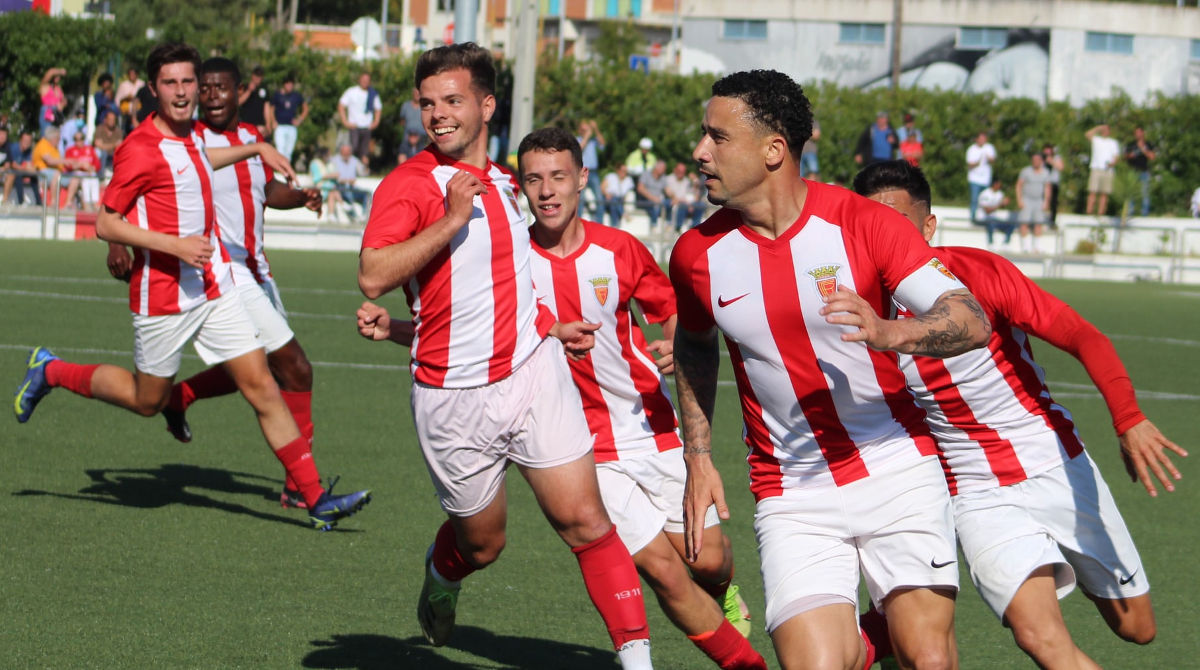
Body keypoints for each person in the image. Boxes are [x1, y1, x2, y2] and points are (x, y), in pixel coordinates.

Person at [360, 126, 768, 670]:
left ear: (582, 179)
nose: (547, 190)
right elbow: (465, 336)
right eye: (533, 180)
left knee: (710, 561)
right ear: (520, 187)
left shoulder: (619, 249)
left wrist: (672, 341)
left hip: (650, 426)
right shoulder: (510, 257)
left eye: (558, 177)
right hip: (582, 445)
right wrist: (394, 330)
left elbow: (672, 313)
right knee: (665, 572)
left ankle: (722, 593)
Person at [671, 69, 991, 670]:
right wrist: (698, 456)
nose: (700, 151)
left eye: (718, 137)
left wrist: (891, 332)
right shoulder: (695, 254)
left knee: (928, 657)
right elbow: (693, 345)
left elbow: (970, 319)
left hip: (896, 467)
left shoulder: (865, 223)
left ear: (774, 150)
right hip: (791, 492)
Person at [356, 42, 654, 669]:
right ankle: (443, 573)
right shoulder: (409, 185)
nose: (438, 114)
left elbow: (509, 279)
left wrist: (551, 327)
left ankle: (637, 662)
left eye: (453, 100)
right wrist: (450, 219)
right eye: (428, 104)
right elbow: (373, 275)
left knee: (587, 521)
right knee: (483, 545)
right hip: (451, 398)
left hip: (531, 372)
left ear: (487, 106)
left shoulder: (506, 182)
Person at [13, 42, 370, 532]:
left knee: (262, 385)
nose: (182, 92)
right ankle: (51, 370)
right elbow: (106, 222)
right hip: (161, 296)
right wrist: (174, 245)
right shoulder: (140, 147)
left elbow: (204, 157)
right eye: (171, 83)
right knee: (147, 401)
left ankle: (315, 499)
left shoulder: (193, 137)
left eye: (187, 82)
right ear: (153, 89)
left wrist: (257, 148)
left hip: (213, 287)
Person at [853, 159, 1187, 670]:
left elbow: (1083, 336)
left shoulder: (978, 274)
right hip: (974, 491)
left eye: (897, 225)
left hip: (1054, 461)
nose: (885, 240)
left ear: (928, 226)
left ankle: (881, 632)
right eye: (873, 228)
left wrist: (1128, 419)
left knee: (1137, 628)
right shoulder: (856, 307)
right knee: (1040, 638)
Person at [114, 57, 327, 512]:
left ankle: (180, 397)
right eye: (203, 87)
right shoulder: (185, 135)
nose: (210, 96)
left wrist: (301, 196)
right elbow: (129, 197)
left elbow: (265, 191)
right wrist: (118, 244)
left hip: (256, 267)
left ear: (239, 92)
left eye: (219, 88)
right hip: (222, 269)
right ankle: (303, 487)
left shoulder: (249, 135)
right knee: (293, 368)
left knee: (260, 370)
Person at [337, 72, 382, 167]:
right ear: (359, 80)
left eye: (367, 80)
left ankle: (363, 170)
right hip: (354, 126)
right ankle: (350, 169)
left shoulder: (373, 93)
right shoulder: (351, 92)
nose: (365, 82)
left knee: (365, 152)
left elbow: (378, 108)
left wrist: (376, 122)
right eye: (363, 79)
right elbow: (341, 105)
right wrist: (345, 121)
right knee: (353, 149)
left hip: (367, 127)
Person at [1015, 152, 1052, 254]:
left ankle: (1037, 247)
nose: (1035, 162)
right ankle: (1025, 247)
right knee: (1024, 222)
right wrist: (1019, 199)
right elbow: (1019, 185)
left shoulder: (1045, 172)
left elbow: (1047, 187)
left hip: (1039, 200)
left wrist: (1046, 201)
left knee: (1038, 223)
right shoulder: (1026, 171)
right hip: (1027, 199)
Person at [269, 74, 308, 163]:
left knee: (288, 152)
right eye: (287, 84)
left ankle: (286, 169)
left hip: (291, 126)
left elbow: (305, 108)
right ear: (284, 84)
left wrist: (300, 120)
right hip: (280, 126)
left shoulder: (296, 96)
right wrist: (273, 121)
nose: (289, 86)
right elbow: (271, 109)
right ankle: (280, 168)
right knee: (280, 150)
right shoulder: (277, 95)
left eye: (291, 84)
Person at [1085, 124, 1120, 216]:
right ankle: (1089, 212)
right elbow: (1087, 134)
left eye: (1106, 130)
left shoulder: (1113, 142)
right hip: (1096, 168)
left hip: (1108, 170)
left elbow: (1116, 156)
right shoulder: (1096, 140)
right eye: (1103, 130)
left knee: (1104, 193)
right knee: (1092, 191)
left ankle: (1101, 213)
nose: (1105, 132)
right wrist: (1098, 128)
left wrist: (1112, 163)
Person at [63, 129, 102, 211]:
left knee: (93, 178)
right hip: (75, 173)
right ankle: (86, 204)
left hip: (88, 172)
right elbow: (67, 165)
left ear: (84, 139)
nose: (78, 141)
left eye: (81, 139)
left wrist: (91, 168)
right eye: (76, 139)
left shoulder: (90, 149)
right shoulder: (70, 150)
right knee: (84, 180)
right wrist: (81, 165)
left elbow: (97, 164)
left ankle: (95, 203)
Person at [576, 119, 607, 217]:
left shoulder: (593, 141)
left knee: (599, 198)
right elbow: (579, 150)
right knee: (580, 198)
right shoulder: (577, 139)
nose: (586, 132)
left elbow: (603, 144)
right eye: (584, 130)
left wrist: (596, 129)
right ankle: (578, 220)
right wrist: (587, 136)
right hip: (581, 172)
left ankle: (599, 221)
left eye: (587, 130)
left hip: (593, 172)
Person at [331, 142, 369, 220]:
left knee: (367, 194)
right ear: (341, 151)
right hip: (340, 188)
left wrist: (365, 165)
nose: (346, 154)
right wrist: (346, 181)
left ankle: (364, 216)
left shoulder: (354, 160)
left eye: (348, 152)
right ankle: (354, 216)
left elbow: (363, 173)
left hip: (352, 187)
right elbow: (332, 175)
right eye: (344, 152)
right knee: (348, 193)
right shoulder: (334, 160)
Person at [32, 126, 68, 206]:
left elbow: (59, 162)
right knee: (57, 174)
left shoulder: (55, 148)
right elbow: (49, 161)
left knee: (74, 178)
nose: (59, 141)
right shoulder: (43, 144)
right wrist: (66, 161)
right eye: (58, 138)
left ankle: (69, 203)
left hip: (57, 172)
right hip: (42, 172)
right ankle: (53, 201)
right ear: (52, 138)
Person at [3, 131, 41, 206]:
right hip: (10, 172)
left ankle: (38, 202)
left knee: (33, 176)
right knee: (18, 175)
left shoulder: (28, 151)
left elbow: (29, 164)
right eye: (25, 140)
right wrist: (26, 168)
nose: (27, 143)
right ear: (20, 140)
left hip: (19, 171)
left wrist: (32, 169)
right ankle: (21, 201)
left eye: (29, 141)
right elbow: (13, 165)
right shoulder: (14, 148)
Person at [966, 131, 997, 223]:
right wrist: (977, 162)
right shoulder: (971, 149)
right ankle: (973, 218)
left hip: (986, 180)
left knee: (985, 200)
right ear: (977, 139)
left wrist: (989, 158)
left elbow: (993, 160)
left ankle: (985, 218)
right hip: (974, 179)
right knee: (974, 199)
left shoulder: (989, 148)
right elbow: (970, 164)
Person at [1125, 127, 1156, 216]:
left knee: (1145, 193)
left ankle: (1145, 213)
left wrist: (1143, 149)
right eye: (1136, 133)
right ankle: (1130, 212)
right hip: (1133, 171)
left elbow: (1152, 157)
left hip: (1144, 171)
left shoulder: (1148, 144)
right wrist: (1131, 155)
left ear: (1143, 133)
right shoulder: (1131, 144)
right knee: (1131, 193)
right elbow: (1125, 156)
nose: (1137, 134)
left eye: (1139, 132)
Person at [977, 177, 1015, 250]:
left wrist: (1005, 203)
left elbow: (1001, 205)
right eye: (999, 184)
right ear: (994, 184)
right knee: (991, 222)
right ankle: (991, 243)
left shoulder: (1000, 194)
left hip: (993, 219)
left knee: (1011, 225)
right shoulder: (985, 193)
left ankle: (1006, 243)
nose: (1000, 186)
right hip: (982, 218)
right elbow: (987, 211)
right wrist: (1000, 204)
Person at [666, 161, 705, 232]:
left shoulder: (687, 181)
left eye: (683, 171)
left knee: (701, 205)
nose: (681, 173)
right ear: (675, 170)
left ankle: (695, 227)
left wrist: (695, 181)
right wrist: (681, 201)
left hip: (686, 202)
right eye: (679, 171)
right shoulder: (668, 179)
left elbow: (695, 195)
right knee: (682, 205)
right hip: (674, 203)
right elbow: (669, 193)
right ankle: (678, 227)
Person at [238, 65, 271, 138]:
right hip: (245, 124)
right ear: (252, 75)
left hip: (260, 125)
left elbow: (266, 107)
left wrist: (268, 124)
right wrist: (249, 91)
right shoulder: (244, 87)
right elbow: (238, 103)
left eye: (259, 76)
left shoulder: (264, 89)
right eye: (256, 75)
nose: (257, 78)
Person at [636, 159, 668, 229]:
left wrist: (675, 198)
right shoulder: (646, 174)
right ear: (657, 168)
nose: (664, 170)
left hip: (658, 201)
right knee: (654, 205)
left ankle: (669, 224)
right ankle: (654, 226)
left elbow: (667, 190)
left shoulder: (663, 177)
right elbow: (640, 189)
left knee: (670, 203)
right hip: (644, 200)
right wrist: (653, 198)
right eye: (663, 169)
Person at [603, 163, 635, 228]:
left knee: (614, 205)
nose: (624, 173)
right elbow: (602, 187)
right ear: (618, 170)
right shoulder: (611, 176)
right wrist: (607, 194)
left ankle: (614, 225)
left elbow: (629, 192)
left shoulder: (628, 180)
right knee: (614, 201)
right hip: (609, 198)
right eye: (622, 170)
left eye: (625, 171)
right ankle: (622, 215)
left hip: (621, 200)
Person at [39, 67, 67, 134]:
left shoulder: (58, 88)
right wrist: (60, 71)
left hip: (57, 113)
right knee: (46, 134)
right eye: (56, 76)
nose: (58, 78)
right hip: (47, 112)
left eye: (59, 77)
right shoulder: (45, 86)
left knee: (56, 135)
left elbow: (64, 100)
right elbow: (51, 72)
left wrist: (62, 105)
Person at [1042, 143, 1064, 227]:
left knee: (1053, 203)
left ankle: (1052, 221)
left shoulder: (1056, 158)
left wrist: (1051, 161)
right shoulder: (1041, 158)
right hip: (1043, 184)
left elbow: (1061, 167)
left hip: (1053, 183)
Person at [115, 67, 143, 133]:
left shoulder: (141, 84)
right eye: (130, 74)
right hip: (126, 114)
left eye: (133, 74)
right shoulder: (123, 85)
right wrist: (126, 98)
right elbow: (117, 100)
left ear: (137, 74)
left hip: (139, 114)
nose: (132, 76)